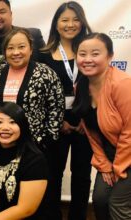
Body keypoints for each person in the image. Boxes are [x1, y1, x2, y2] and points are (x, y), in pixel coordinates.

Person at [38, 2, 92, 219]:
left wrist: (86, 120)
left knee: (81, 175)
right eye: (65, 19)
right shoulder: (42, 54)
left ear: (82, 21)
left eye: (75, 19)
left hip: (85, 122)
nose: (70, 24)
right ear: (56, 24)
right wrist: (57, 121)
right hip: (54, 124)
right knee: (52, 173)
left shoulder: (89, 49)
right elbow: (39, 94)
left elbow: (98, 87)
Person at [73, 33, 131, 220]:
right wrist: (105, 165)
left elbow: (130, 131)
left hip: (128, 152)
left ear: (110, 56)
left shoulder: (122, 84)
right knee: (99, 199)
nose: (87, 59)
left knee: (118, 202)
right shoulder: (80, 86)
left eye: (95, 54)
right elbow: (91, 131)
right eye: (82, 54)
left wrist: (119, 167)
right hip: (110, 152)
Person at [0, 27, 64, 148]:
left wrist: (47, 141)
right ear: (4, 51)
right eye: (10, 48)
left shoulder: (46, 74)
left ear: (31, 49)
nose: (16, 52)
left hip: (35, 146)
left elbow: (56, 110)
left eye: (21, 47)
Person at [0, 102, 48, 219]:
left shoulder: (35, 159)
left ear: (23, 126)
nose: (5, 128)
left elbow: (25, 209)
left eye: (12, 122)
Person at [0, 0, 46, 117]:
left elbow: (47, 71)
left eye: (2, 12)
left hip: (30, 114)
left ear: (11, 14)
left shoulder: (32, 35)